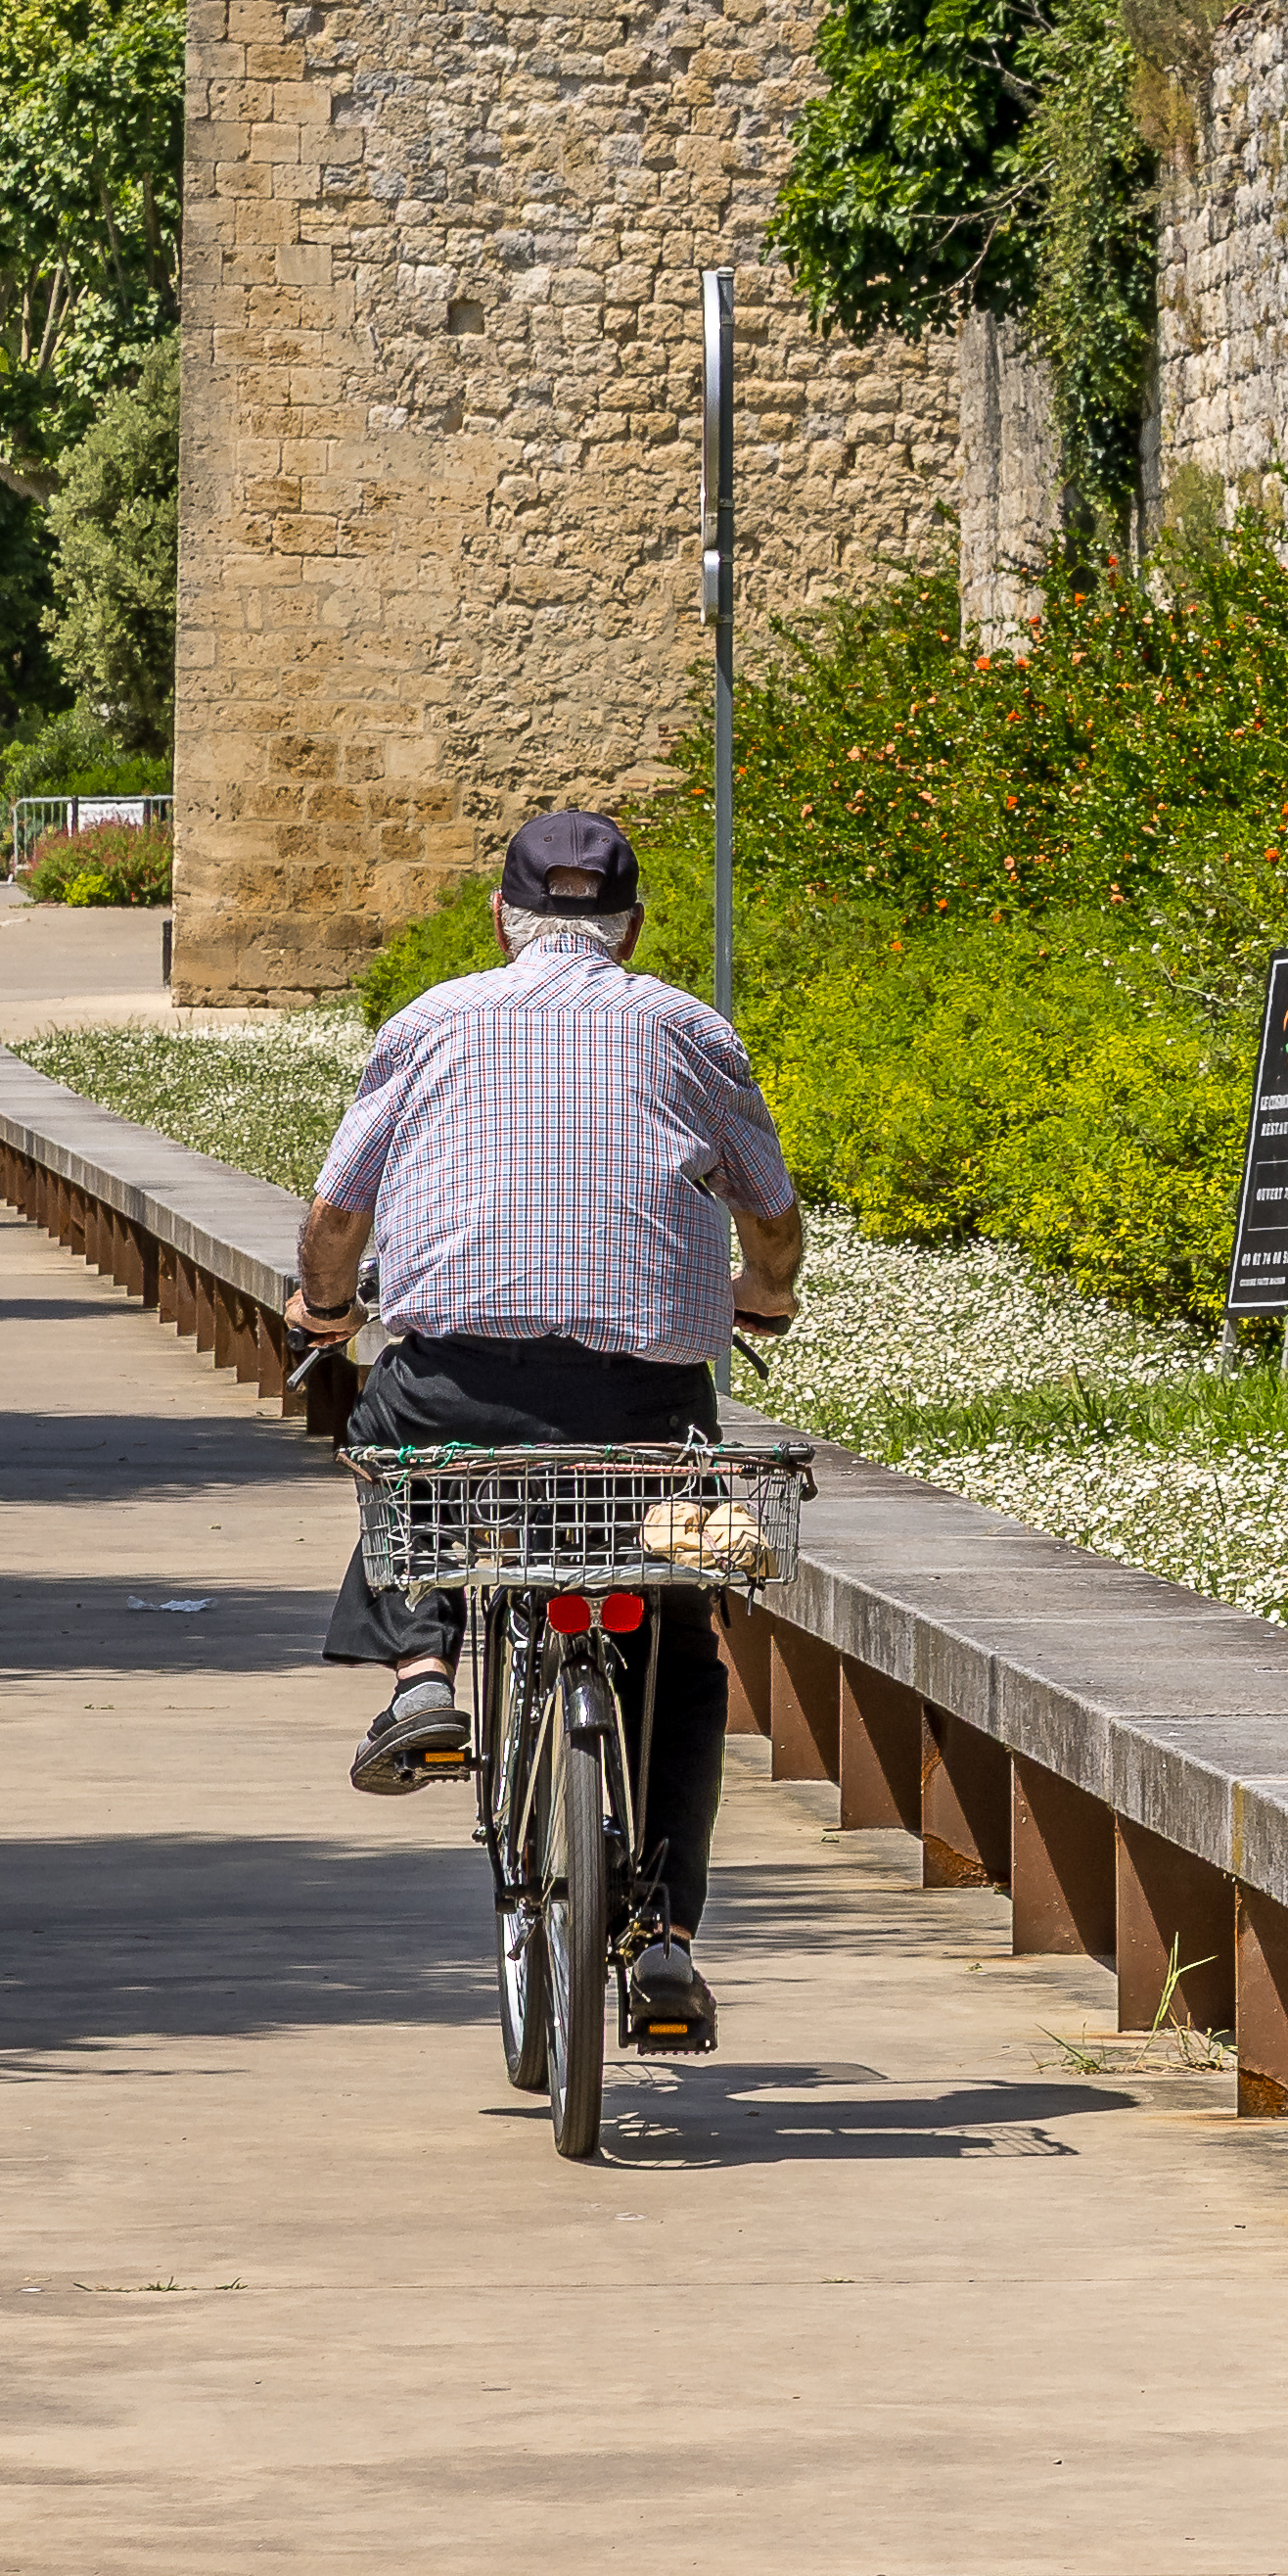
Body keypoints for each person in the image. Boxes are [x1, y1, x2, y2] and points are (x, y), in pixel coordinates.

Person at [302, 807, 805, 2051]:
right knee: (679, 1646)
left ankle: (424, 1679)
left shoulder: (430, 1021)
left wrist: (324, 1310)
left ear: (500, 916)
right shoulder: (688, 1028)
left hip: (460, 1381)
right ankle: (670, 1937)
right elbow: (773, 1216)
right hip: (639, 1407)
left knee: (404, 1455)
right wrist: (769, 1293)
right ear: (630, 924)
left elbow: (334, 1213)